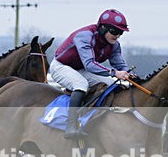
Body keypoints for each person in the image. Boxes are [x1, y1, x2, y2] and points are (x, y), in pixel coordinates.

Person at [49, 9, 133, 139]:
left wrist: (129, 74)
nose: (117, 36)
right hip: (61, 66)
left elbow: (119, 64)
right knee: (81, 84)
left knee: (111, 84)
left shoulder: (114, 45)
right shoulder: (85, 36)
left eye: (120, 33)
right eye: (114, 31)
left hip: (81, 69)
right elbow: (90, 64)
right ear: (103, 28)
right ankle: (71, 127)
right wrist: (114, 73)